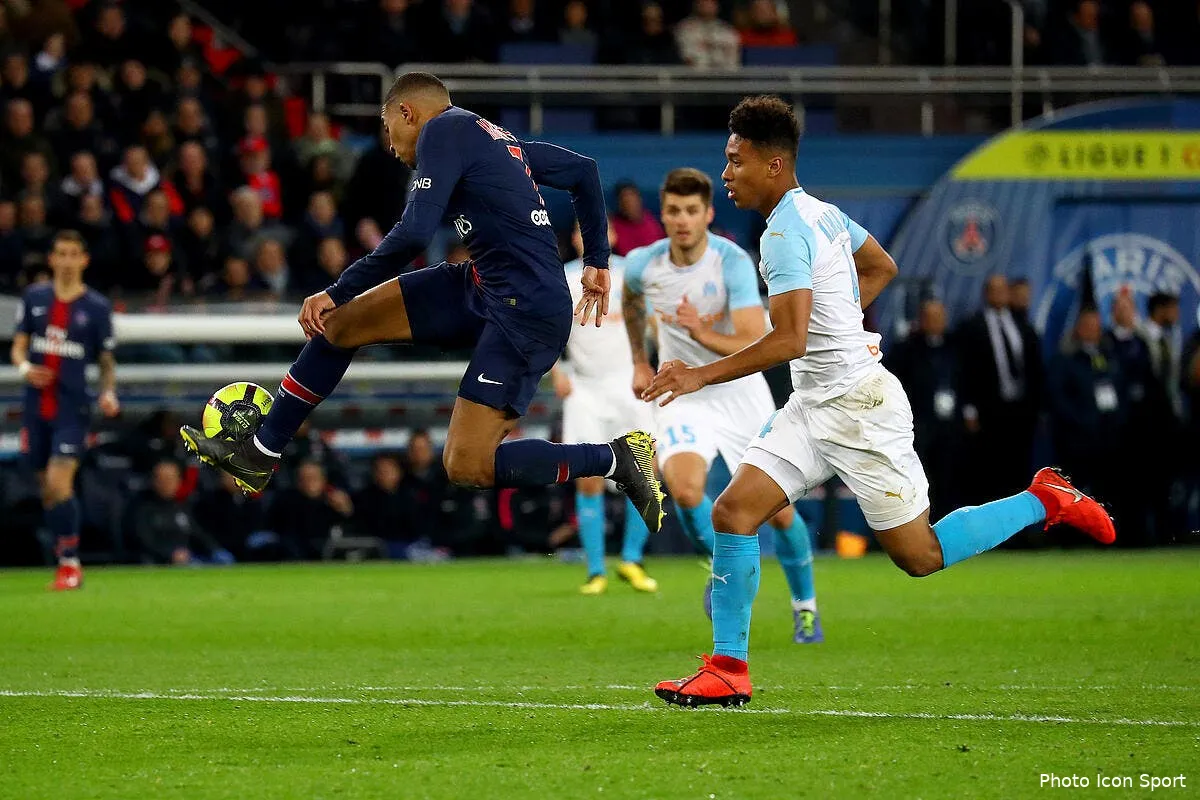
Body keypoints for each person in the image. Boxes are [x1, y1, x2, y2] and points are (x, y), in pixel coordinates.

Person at [644, 96, 1116, 707]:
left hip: (859, 411)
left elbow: (787, 339)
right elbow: (881, 265)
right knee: (733, 513)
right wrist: (840, 325)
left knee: (920, 556)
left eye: (736, 161)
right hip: (816, 405)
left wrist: (700, 375)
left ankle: (1042, 499)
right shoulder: (821, 213)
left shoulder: (785, 233)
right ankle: (728, 668)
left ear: (774, 164)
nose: (726, 172)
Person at [179, 72, 663, 533]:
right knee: (341, 325)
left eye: (390, 131)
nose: (391, 148)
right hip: (482, 285)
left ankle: (617, 458)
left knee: (467, 465)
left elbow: (413, 233)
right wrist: (597, 259)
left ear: (408, 113)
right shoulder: (493, 140)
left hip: (527, 311)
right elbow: (583, 170)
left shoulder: (443, 132)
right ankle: (263, 450)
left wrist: (335, 287)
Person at [622, 167, 820, 642]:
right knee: (685, 491)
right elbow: (630, 304)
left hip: (739, 392)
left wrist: (698, 331)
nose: (682, 220)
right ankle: (720, 567)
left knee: (782, 512)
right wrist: (637, 361)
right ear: (663, 215)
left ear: (708, 214)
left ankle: (806, 606)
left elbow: (755, 337)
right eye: (673, 210)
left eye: (692, 211)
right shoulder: (642, 264)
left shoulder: (730, 261)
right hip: (681, 395)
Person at [10, 230, 119, 590]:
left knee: (59, 483)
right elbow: (19, 347)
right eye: (62, 254)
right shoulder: (34, 298)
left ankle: (71, 564)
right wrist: (26, 369)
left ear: (84, 260)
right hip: (35, 406)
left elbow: (105, 360)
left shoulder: (97, 307)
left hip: (73, 408)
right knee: (47, 490)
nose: (68, 261)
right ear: (52, 259)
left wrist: (108, 393)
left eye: (74, 254)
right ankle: (62, 556)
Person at [551, 222, 657, 594]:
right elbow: (546, 328)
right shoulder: (563, 278)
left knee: (643, 472)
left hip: (629, 385)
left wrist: (654, 364)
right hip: (585, 388)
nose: (590, 237)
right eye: (582, 232)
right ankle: (596, 569)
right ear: (575, 239)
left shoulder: (632, 273)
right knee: (589, 478)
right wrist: (555, 370)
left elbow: (655, 324)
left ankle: (631, 559)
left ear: (611, 236)